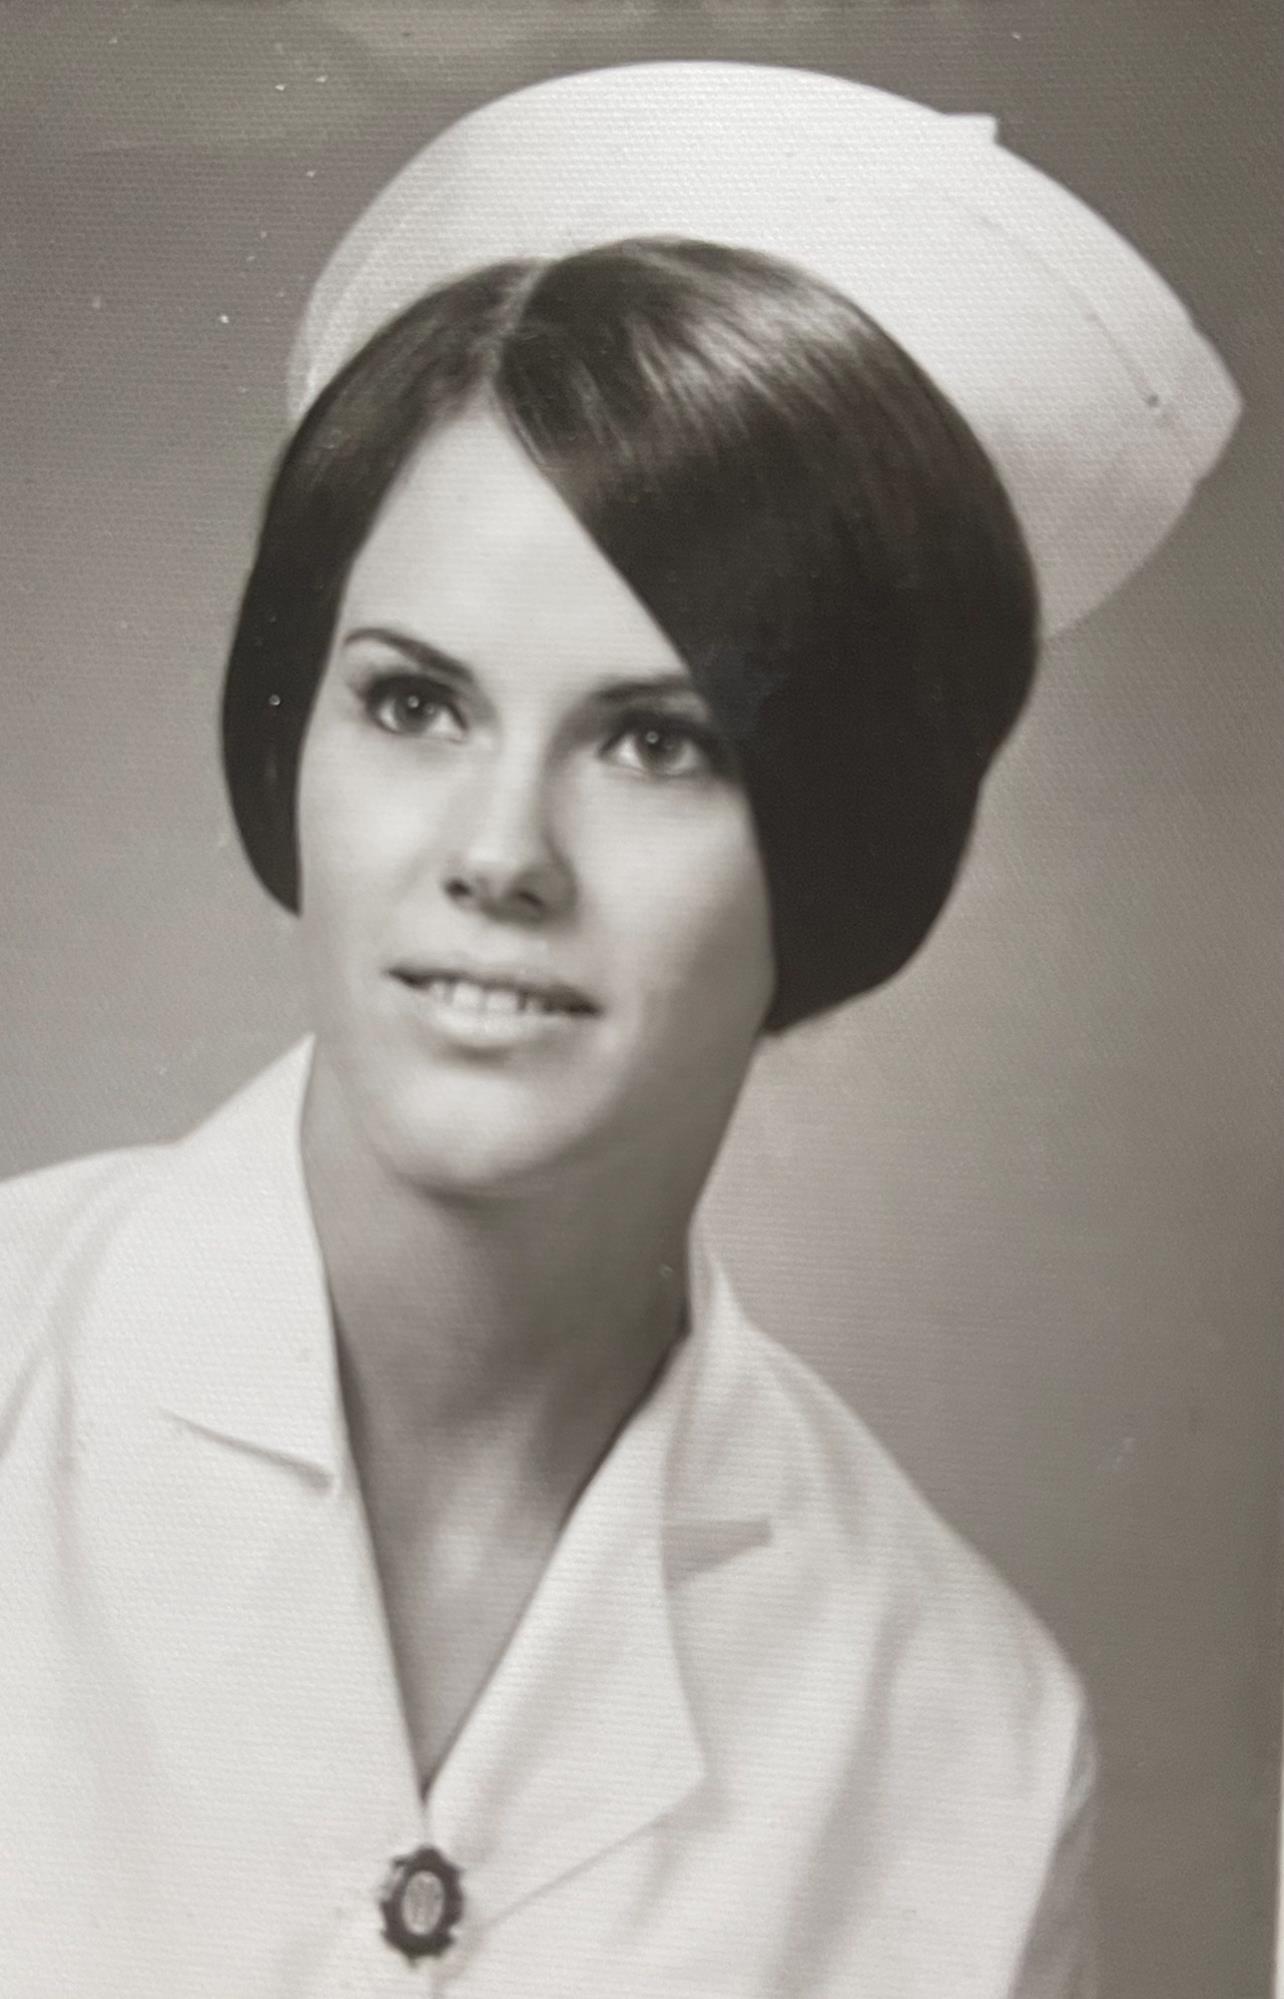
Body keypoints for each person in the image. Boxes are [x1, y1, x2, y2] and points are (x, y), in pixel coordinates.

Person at [0, 62, 1238, 1999]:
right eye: (414, 704)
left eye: (655, 742)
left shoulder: (969, 1744)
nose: (499, 853)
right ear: (287, 735)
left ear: (835, 842)